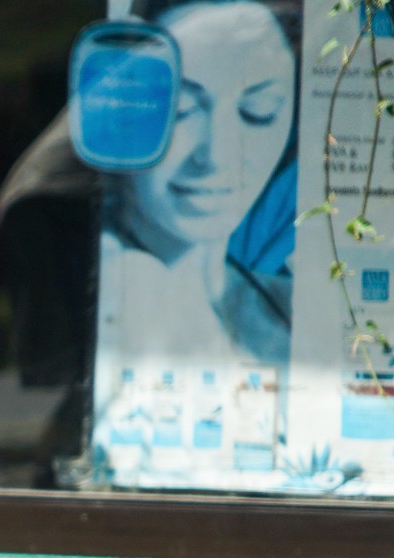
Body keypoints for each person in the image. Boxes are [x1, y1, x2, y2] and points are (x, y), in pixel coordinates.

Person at [101, 0, 298, 365]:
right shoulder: (103, 283)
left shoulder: (285, 310)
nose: (217, 155)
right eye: (181, 110)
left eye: (259, 109)